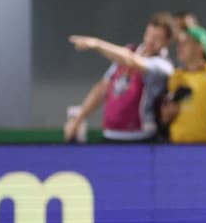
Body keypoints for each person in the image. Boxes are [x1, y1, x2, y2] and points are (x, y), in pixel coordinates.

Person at [65, 12, 175, 143]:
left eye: (157, 38)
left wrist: (96, 44)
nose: (150, 41)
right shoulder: (127, 54)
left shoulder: (163, 65)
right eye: (148, 34)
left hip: (141, 139)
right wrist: (79, 119)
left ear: (167, 41)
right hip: (111, 135)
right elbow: (102, 89)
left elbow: (131, 60)